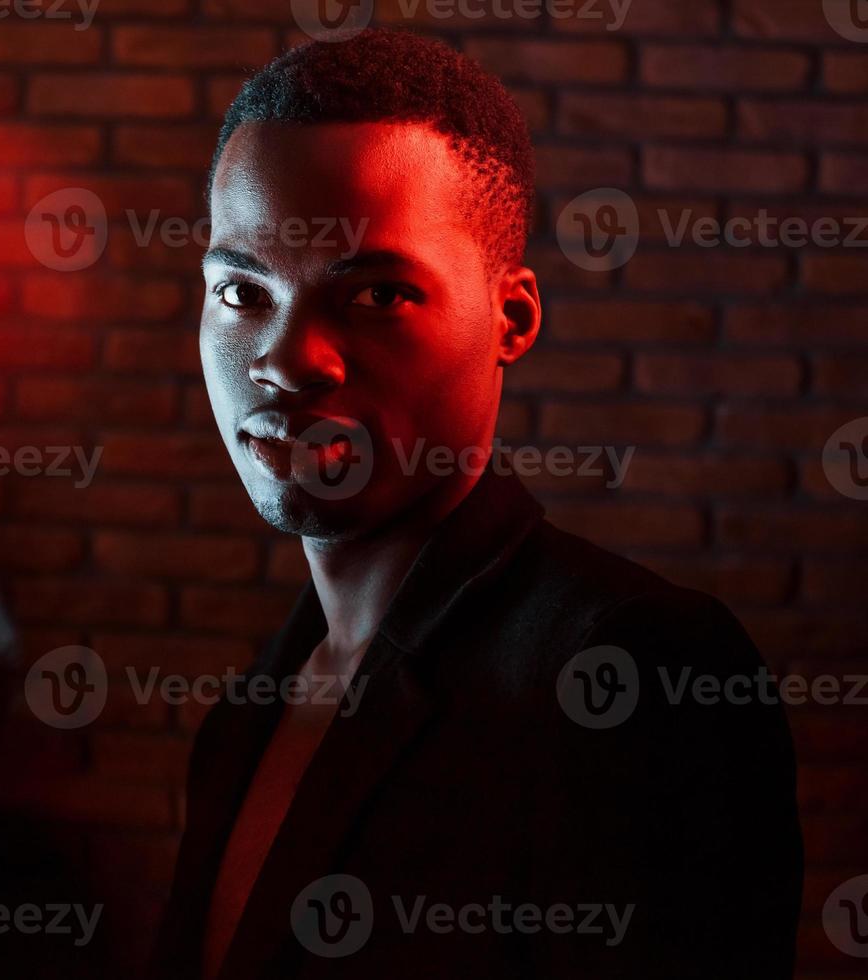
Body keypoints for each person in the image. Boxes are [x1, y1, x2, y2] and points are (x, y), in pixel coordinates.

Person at [153, 28, 802, 980]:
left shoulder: (630, 678)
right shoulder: (247, 713)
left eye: (374, 294)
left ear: (513, 318)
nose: (288, 360)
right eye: (243, 291)